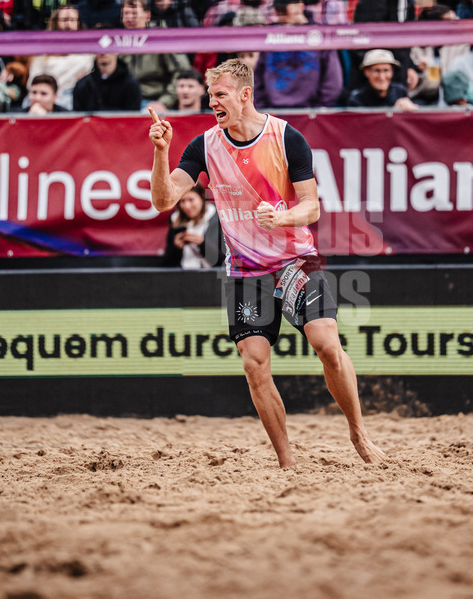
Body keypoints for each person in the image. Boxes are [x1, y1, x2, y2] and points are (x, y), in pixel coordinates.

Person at [147, 58, 386, 468]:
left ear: (244, 95)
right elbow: (163, 200)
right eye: (210, 96)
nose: (212, 103)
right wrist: (162, 150)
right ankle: (287, 463)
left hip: (296, 259)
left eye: (219, 95)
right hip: (245, 270)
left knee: (327, 345)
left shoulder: (285, 137)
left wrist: (282, 216)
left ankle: (358, 434)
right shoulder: (203, 146)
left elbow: (311, 207)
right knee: (254, 364)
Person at [253, 0, 343, 109]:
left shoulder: (320, 34)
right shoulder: (270, 35)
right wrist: (264, 110)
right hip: (273, 114)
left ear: (300, 6)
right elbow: (257, 78)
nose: (281, 14)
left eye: (284, 9)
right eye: (277, 10)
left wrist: (318, 111)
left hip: (311, 114)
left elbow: (333, 81)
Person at [122, 0, 191, 113]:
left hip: (154, 100)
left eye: (134, 13)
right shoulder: (117, 42)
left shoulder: (160, 39)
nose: (129, 18)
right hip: (126, 103)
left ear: (147, 15)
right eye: (126, 14)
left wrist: (164, 102)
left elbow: (182, 72)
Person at [26, 6, 95, 110]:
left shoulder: (88, 51)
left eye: (72, 20)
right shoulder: (43, 51)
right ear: (56, 22)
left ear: (78, 23)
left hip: (74, 95)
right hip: (47, 94)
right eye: (64, 20)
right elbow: (33, 79)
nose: (68, 24)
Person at [162, 184, 223, 269]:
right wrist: (176, 247)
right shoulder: (175, 219)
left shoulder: (219, 218)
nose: (187, 206)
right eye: (182, 201)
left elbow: (224, 261)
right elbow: (167, 262)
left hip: (210, 278)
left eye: (191, 200)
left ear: (202, 197)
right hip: (182, 277)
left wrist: (202, 244)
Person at [347, 49, 419, 110]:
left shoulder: (400, 91)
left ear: (392, 72)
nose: (382, 77)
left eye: (386, 70)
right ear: (366, 72)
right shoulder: (356, 100)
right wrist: (395, 111)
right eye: (377, 71)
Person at [72, 53, 142, 112]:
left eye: (109, 47)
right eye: (99, 47)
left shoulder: (131, 85)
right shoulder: (83, 85)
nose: (103, 52)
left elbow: (132, 118)